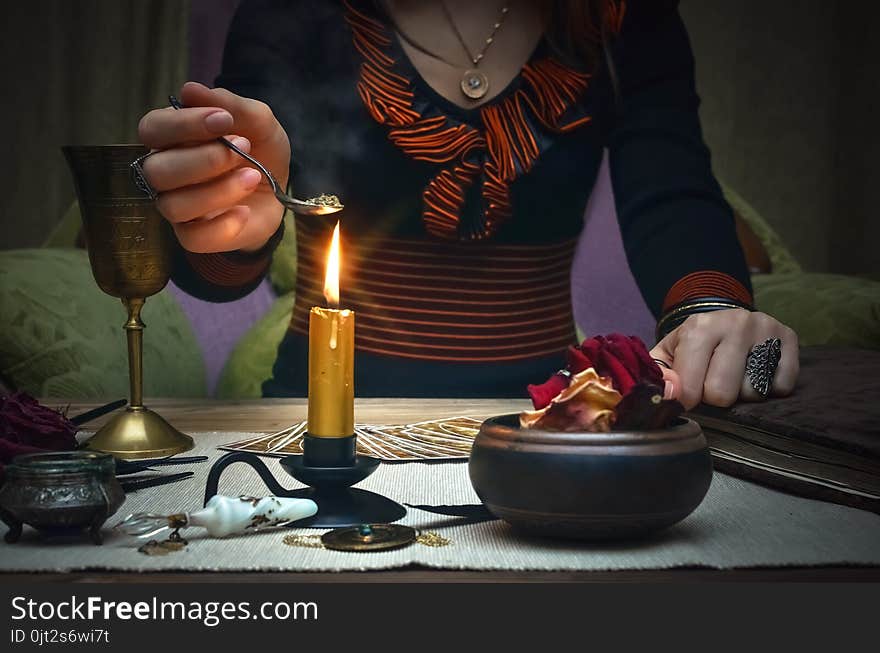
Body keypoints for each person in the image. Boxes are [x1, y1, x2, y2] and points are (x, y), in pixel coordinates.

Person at [136, 0, 799, 407]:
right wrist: (232, 215)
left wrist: (713, 312)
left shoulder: (622, 13)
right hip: (316, 429)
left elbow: (673, 188)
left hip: (546, 428)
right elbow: (215, 255)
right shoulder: (298, 10)